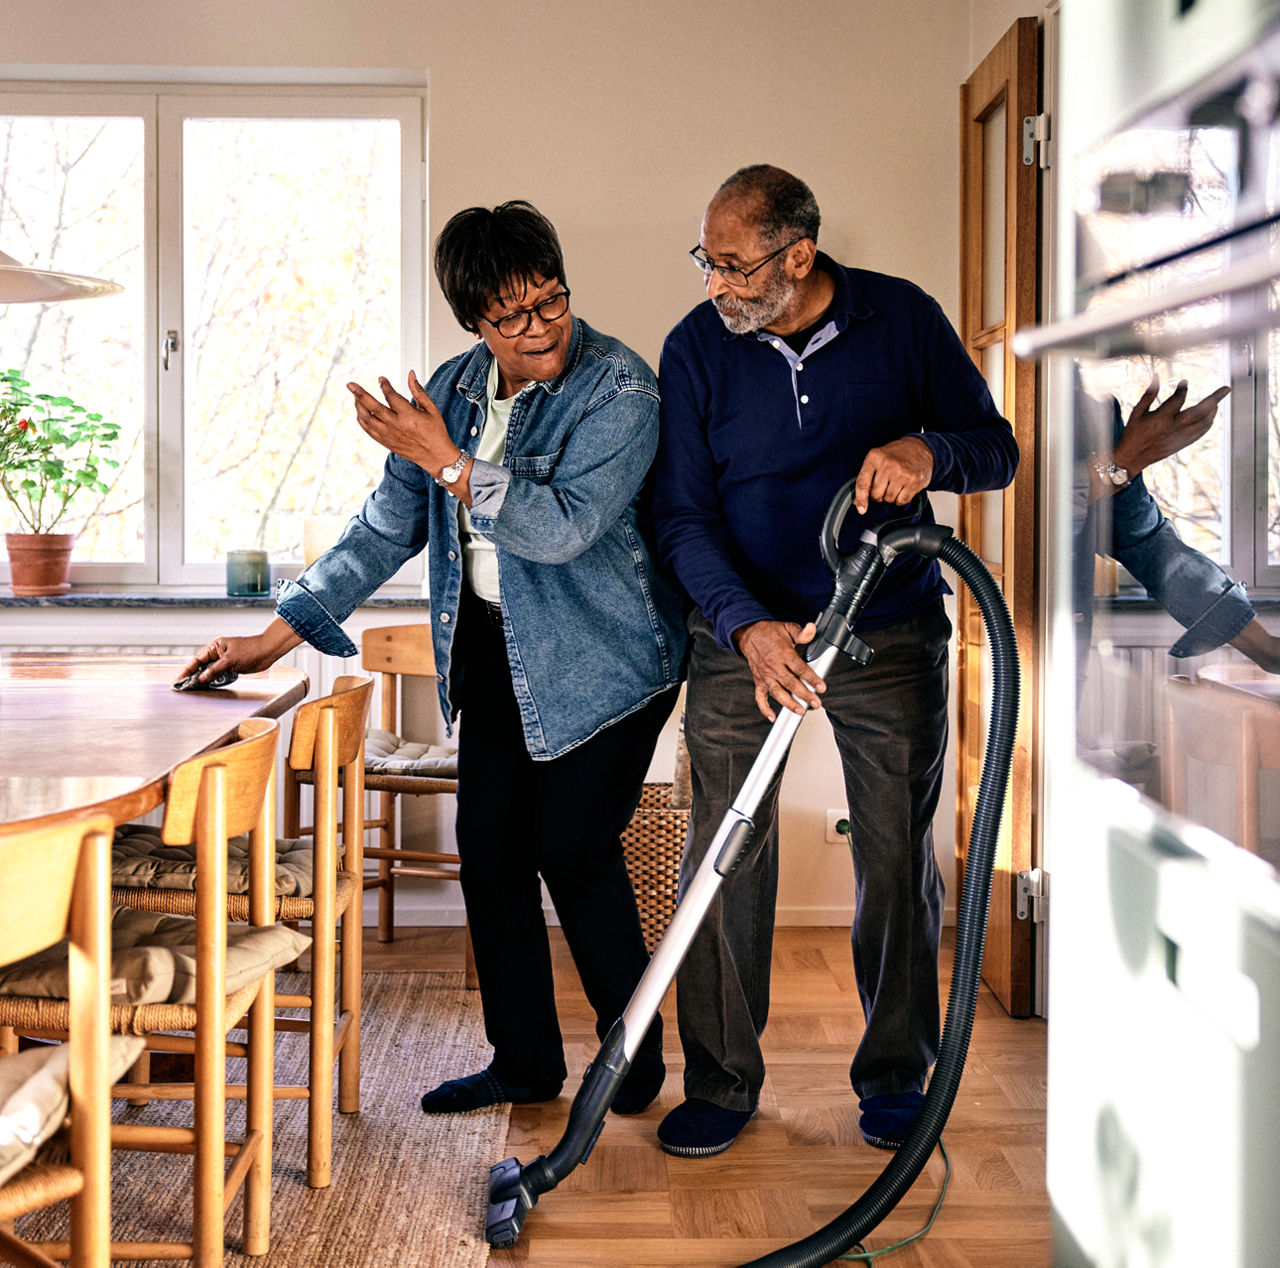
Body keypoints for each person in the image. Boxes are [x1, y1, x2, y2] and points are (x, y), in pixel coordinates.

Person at [178, 200, 686, 1117]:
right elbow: (385, 529)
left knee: (571, 847)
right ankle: (525, 1063)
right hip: (492, 651)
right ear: (474, 321)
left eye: (552, 300)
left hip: (608, 658)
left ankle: (636, 1057)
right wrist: (277, 631)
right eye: (513, 316)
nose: (541, 329)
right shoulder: (451, 390)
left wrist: (448, 462)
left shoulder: (621, 390)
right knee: (489, 855)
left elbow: (564, 529)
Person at [650, 165, 1019, 1157]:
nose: (714, 284)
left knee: (897, 851)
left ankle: (896, 1075)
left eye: (731, 264)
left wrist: (926, 451)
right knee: (724, 851)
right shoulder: (694, 350)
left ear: (797, 255)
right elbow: (679, 515)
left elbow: (996, 448)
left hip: (887, 621)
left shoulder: (901, 320)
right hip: (744, 631)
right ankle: (723, 1082)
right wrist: (743, 625)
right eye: (706, 261)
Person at [1075, 369, 1280, 673]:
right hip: (1002, 623)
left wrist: (1263, 647)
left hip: (1064, 633)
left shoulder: (1097, 408)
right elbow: (1029, 509)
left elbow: (1146, 542)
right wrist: (1125, 461)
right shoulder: (1011, 392)